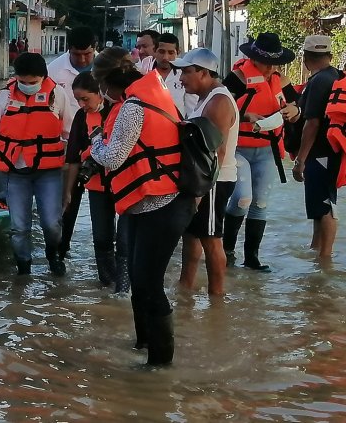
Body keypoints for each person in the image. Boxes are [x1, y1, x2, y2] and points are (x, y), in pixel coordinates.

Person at [90, 65, 194, 366]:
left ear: (111, 86)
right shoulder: (158, 94)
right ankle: (143, 344)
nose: (102, 95)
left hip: (162, 204)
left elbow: (113, 156)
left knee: (149, 283)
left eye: (103, 88)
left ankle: (160, 365)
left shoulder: (133, 107)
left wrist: (95, 142)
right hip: (147, 202)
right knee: (139, 279)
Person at [0, 53, 71, 277]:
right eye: (23, 82)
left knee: (51, 223)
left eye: (33, 82)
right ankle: (23, 269)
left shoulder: (57, 95)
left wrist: (73, 160)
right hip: (15, 171)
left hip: (48, 172)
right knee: (19, 227)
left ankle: (53, 255)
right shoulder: (5, 96)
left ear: (43, 78)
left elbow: (69, 130)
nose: (27, 86)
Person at [221, 33, 301, 271]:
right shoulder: (236, 78)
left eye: (274, 64)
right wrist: (245, 116)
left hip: (267, 150)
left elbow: (298, 108)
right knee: (243, 198)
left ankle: (252, 258)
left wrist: (292, 111)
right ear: (253, 59)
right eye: (265, 63)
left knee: (261, 202)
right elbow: (219, 108)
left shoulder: (282, 80)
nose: (269, 69)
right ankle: (226, 250)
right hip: (239, 149)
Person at [174, 49, 239, 296]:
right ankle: (185, 290)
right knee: (191, 238)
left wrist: (202, 190)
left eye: (187, 72)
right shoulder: (206, 97)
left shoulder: (219, 101)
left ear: (204, 73)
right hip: (202, 180)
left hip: (214, 180)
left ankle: (217, 298)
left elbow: (218, 152)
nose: (181, 78)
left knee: (211, 240)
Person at [63, 71, 127, 292]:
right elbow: (72, 158)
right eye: (78, 100)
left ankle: (124, 287)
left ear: (100, 93)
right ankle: (107, 285)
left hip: (125, 185)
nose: (81, 105)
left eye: (85, 99)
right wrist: (68, 192)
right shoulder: (82, 117)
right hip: (98, 187)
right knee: (102, 238)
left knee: (126, 240)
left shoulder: (122, 111)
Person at [48, 26, 96, 260]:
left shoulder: (104, 70)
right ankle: (61, 248)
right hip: (68, 144)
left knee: (103, 200)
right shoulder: (55, 71)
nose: (83, 59)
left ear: (94, 49)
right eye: (77, 54)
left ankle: (105, 250)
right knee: (67, 199)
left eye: (87, 54)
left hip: (101, 142)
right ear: (69, 50)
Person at [292, 35, 342, 258]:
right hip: (331, 151)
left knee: (326, 205)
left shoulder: (319, 81)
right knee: (318, 203)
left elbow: (312, 123)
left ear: (305, 58)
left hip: (321, 152)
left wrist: (300, 160)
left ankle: (325, 258)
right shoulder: (334, 76)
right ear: (329, 56)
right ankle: (316, 249)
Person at [140, 33, 197, 115]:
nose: (165, 57)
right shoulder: (145, 68)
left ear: (178, 52)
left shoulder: (184, 75)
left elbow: (192, 109)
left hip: (176, 126)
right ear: (154, 50)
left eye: (171, 53)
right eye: (161, 52)